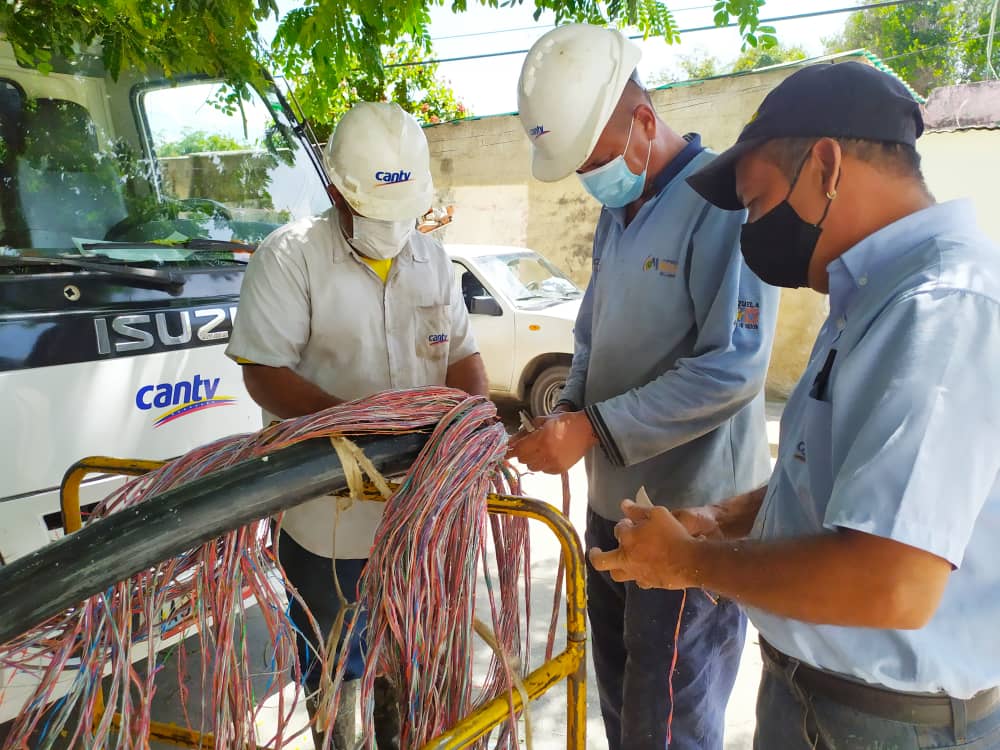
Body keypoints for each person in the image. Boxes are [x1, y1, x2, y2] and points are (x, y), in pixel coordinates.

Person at [590, 61, 1000, 749]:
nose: (752, 231)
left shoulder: (941, 306)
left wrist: (687, 563)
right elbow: (831, 484)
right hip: (818, 701)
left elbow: (892, 582)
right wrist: (721, 518)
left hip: (887, 724)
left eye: (757, 204)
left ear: (828, 166)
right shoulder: (867, 298)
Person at [508, 24, 779, 750]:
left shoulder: (723, 203)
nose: (591, 180)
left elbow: (734, 367)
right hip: (612, 512)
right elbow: (593, 335)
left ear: (645, 123)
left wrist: (592, 429)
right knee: (628, 709)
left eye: (594, 161)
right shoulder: (616, 213)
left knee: (672, 726)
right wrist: (567, 410)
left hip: (692, 520)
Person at [225, 102, 488, 750]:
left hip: (419, 523)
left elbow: (465, 363)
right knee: (336, 681)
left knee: (411, 668)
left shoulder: (432, 261)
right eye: (375, 211)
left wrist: (466, 427)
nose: (391, 228)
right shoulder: (290, 258)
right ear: (338, 191)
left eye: (403, 214)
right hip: (327, 525)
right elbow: (263, 370)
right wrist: (356, 436)